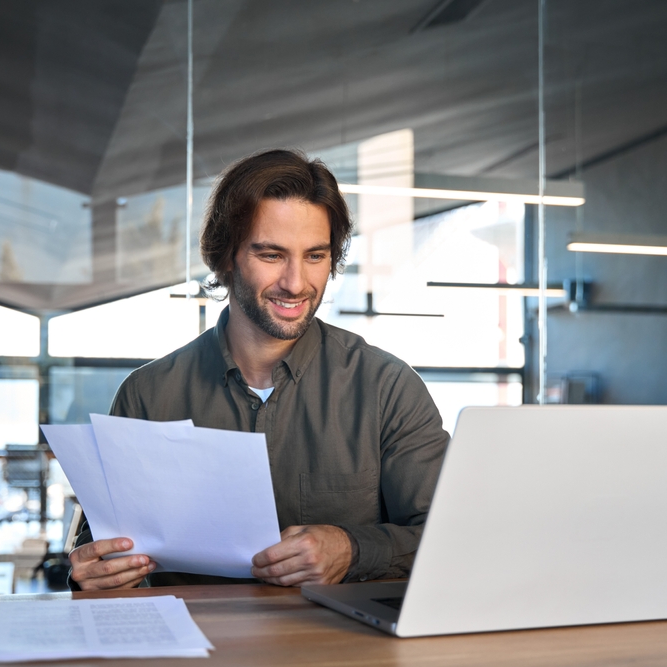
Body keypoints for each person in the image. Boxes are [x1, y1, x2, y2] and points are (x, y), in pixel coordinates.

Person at [69, 149, 448, 591]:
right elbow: (95, 553)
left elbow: (451, 537)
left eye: (315, 256)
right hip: (198, 653)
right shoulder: (147, 395)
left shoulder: (387, 389)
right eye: (271, 255)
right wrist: (95, 572)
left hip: (339, 654)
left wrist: (352, 548)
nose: (295, 282)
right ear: (226, 256)